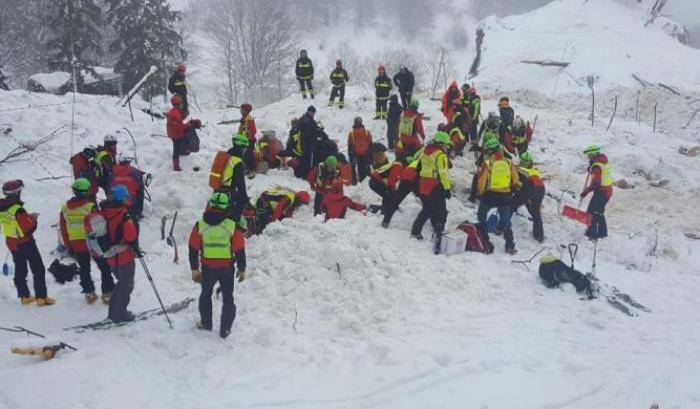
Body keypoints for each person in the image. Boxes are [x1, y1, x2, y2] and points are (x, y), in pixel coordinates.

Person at [188, 192, 246, 339]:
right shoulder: (232, 226)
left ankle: (206, 324)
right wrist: (242, 269)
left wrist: (195, 269)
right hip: (227, 269)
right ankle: (225, 330)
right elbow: (239, 249)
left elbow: (193, 248)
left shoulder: (200, 225)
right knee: (228, 299)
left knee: (205, 296)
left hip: (208, 269)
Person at [59, 178, 114, 304]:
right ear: (87, 191)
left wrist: (68, 245)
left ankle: (89, 293)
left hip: (76, 243)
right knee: (104, 267)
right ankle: (108, 293)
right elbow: (99, 225)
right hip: (92, 242)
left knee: (84, 268)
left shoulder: (65, 209)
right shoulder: (90, 207)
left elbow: (63, 228)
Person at [0, 180, 54, 306]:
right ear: (16, 193)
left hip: (12, 242)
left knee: (20, 268)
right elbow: (28, 229)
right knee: (38, 268)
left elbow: (13, 222)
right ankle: (41, 297)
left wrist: (26, 218)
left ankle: (24, 296)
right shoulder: (18, 210)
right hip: (25, 242)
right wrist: (33, 220)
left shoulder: (2, 207)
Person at [476, 138, 521, 255]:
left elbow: (481, 180)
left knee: (481, 215)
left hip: (490, 195)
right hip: (506, 196)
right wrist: (514, 186)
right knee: (506, 221)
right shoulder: (509, 162)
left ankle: (483, 237)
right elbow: (516, 178)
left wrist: (480, 192)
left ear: (491, 151)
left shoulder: (488, 163)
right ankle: (510, 245)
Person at [101, 185, 139, 323]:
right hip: (124, 256)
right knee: (126, 285)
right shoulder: (123, 215)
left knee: (121, 283)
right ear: (122, 198)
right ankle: (119, 314)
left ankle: (114, 312)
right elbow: (130, 236)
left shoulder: (105, 211)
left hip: (111, 256)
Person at [410, 132, 452, 254]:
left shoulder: (425, 151)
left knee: (427, 210)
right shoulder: (440, 155)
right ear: (442, 144)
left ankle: (415, 231)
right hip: (435, 185)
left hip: (423, 185)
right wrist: (447, 189)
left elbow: (418, 167)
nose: (446, 147)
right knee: (441, 211)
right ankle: (438, 238)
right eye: (446, 144)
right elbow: (443, 173)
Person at [581, 145, 613, 240]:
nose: (588, 157)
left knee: (592, 212)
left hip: (602, 192)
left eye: (589, 155)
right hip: (607, 191)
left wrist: (586, 191)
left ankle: (592, 235)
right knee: (599, 212)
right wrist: (592, 168)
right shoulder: (602, 162)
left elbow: (596, 183)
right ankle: (602, 233)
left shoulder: (597, 166)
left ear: (593, 154)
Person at [512, 152, 545, 242]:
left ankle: (502, 225)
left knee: (514, 202)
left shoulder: (521, 170)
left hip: (530, 187)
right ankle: (539, 235)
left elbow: (517, 182)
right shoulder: (535, 170)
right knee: (535, 213)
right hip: (541, 189)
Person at [221, 135, 251, 221]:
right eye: (245, 147)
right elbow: (241, 185)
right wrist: (245, 199)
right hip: (228, 191)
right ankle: (235, 221)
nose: (245, 150)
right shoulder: (237, 162)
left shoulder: (226, 155)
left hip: (218, 187)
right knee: (241, 199)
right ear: (241, 147)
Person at [166, 95, 201, 171]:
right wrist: (188, 126)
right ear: (178, 104)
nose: (182, 104)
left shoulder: (173, 111)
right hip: (176, 134)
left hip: (173, 133)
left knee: (179, 146)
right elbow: (180, 125)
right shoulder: (175, 114)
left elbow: (181, 121)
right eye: (181, 103)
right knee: (176, 148)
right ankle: (176, 166)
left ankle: (184, 152)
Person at [369, 143, 403, 217]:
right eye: (376, 156)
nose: (378, 158)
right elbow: (389, 181)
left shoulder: (393, 163)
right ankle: (385, 211)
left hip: (380, 182)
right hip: (376, 183)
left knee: (390, 194)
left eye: (381, 155)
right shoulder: (380, 163)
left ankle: (387, 209)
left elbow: (391, 181)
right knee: (389, 194)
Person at [108, 154, 146, 218]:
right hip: (130, 200)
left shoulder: (113, 172)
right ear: (128, 162)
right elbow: (138, 187)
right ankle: (138, 213)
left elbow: (109, 185)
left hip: (116, 200)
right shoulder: (134, 173)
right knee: (140, 192)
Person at [347, 117, 373, 184]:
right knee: (364, 167)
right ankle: (364, 178)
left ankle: (356, 180)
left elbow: (350, 144)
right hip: (365, 153)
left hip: (356, 154)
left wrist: (350, 154)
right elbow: (370, 142)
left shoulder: (351, 133)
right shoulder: (366, 132)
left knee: (356, 167)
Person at [298, 106, 318, 178]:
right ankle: (305, 175)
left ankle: (304, 174)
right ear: (310, 112)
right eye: (313, 112)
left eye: (314, 113)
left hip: (306, 142)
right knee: (306, 159)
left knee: (306, 159)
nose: (314, 114)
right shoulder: (306, 120)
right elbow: (308, 133)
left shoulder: (307, 118)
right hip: (306, 143)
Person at [237, 103, 257, 176]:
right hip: (243, 140)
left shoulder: (249, 119)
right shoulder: (243, 119)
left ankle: (252, 169)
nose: (240, 111)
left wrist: (248, 138)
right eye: (240, 110)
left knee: (248, 155)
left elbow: (253, 131)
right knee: (242, 154)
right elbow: (242, 130)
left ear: (246, 111)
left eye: (242, 110)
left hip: (249, 141)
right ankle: (246, 168)